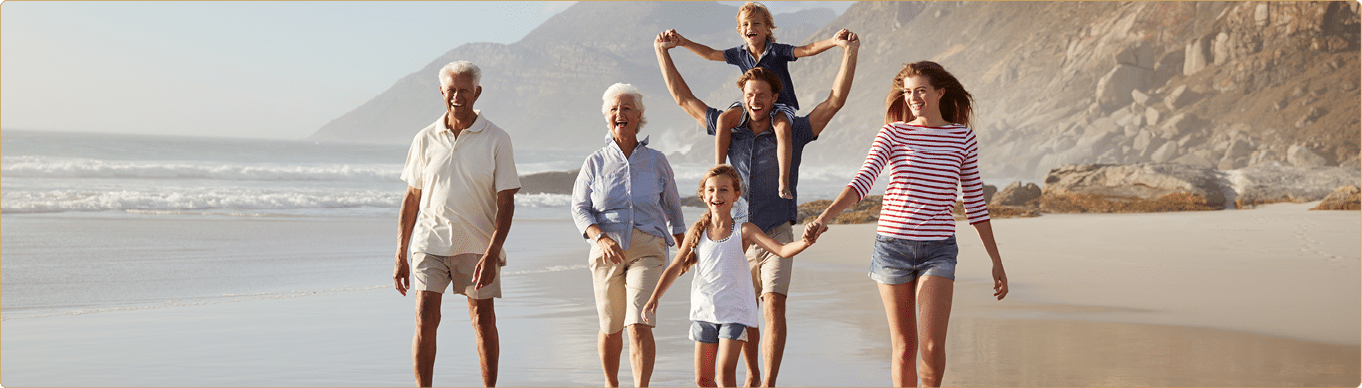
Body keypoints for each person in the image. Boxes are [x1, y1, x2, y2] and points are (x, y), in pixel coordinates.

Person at [655, 28, 859, 387]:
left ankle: (769, 383)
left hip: (777, 230)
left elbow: (835, 100)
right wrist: (663, 53)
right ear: (744, 97)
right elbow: (682, 97)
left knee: (773, 305)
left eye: (762, 95)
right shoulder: (730, 129)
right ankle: (752, 374)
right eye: (750, 95)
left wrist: (848, 52)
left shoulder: (792, 129)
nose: (755, 101)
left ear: (774, 97)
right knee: (745, 313)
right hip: (739, 237)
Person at [803, 61, 1010, 387]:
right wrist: (825, 216)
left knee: (931, 346)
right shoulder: (893, 133)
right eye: (909, 92)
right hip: (892, 248)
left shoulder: (962, 138)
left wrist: (996, 260)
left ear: (940, 91)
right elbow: (863, 181)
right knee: (904, 347)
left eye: (921, 91)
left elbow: (975, 204)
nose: (913, 98)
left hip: (938, 250)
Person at [392, 60, 519, 388]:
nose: (457, 96)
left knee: (482, 321)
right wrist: (400, 254)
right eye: (451, 90)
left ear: (477, 92)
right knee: (424, 318)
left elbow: (506, 202)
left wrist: (493, 253)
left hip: (477, 245)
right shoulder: (424, 138)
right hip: (429, 242)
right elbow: (412, 198)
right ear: (441, 92)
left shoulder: (497, 139)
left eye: (464, 90)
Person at [641, 165, 814, 387]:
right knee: (703, 380)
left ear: (736, 195)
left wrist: (805, 241)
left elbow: (781, 250)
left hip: (734, 312)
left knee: (724, 375)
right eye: (711, 190)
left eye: (724, 190)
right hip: (704, 311)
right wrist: (654, 298)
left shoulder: (744, 230)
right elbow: (675, 266)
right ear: (704, 195)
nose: (717, 195)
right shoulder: (697, 230)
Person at [670, 2, 850, 200]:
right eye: (745, 24)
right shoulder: (740, 54)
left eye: (756, 23)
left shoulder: (777, 51)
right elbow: (711, 54)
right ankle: (720, 170)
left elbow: (807, 49)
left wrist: (833, 41)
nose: (751, 28)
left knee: (782, 129)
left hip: (781, 104)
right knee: (723, 120)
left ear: (767, 28)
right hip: (752, 103)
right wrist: (683, 42)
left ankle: (783, 181)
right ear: (739, 30)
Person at [570, 82, 687, 387]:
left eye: (626, 108)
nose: (619, 113)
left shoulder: (656, 160)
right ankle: (611, 383)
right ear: (607, 117)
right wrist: (600, 237)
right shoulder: (594, 162)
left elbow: (673, 207)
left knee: (639, 322)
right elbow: (579, 208)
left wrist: (684, 249)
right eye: (613, 109)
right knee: (611, 326)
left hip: (649, 248)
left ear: (638, 115)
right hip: (607, 250)